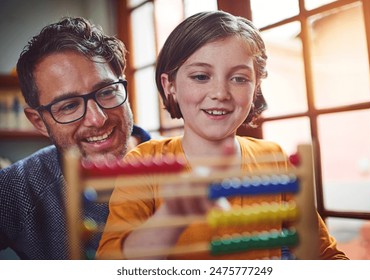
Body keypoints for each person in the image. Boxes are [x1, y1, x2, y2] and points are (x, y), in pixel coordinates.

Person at [96, 11, 348, 260]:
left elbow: (324, 255)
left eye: (239, 78)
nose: (220, 93)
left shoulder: (274, 158)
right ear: (169, 85)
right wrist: (170, 219)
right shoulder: (142, 163)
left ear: (255, 87)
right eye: (201, 76)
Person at [0, 16, 151, 260]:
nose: (97, 118)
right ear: (39, 122)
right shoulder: (15, 189)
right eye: (69, 106)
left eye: (106, 92)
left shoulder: (185, 164)